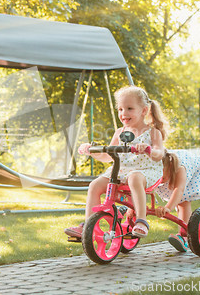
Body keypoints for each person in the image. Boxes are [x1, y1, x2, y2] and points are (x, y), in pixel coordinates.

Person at [64, 85, 170, 239]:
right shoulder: (120, 133)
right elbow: (109, 156)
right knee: (94, 185)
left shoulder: (153, 132)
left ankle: (141, 220)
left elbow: (159, 155)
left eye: (129, 108)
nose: (123, 113)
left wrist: (147, 149)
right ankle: (88, 226)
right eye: (120, 109)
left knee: (134, 177)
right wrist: (91, 151)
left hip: (147, 171)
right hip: (121, 171)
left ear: (144, 111)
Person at [154, 149, 200, 252]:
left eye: (162, 178)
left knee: (183, 202)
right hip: (171, 167)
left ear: (171, 166)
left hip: (193, 167)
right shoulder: (155, 169)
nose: (159, 181)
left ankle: (184, 236)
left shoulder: (180, 168)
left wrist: (167, 208)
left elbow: (179, 189)